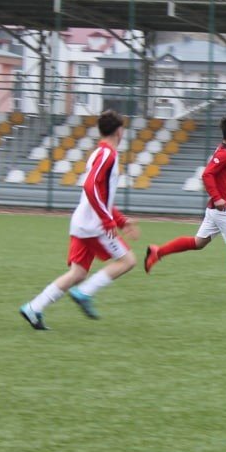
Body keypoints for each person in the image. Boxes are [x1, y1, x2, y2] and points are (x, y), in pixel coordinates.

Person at [19, 110, 139, 329]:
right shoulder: (107, 155)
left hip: (83, 222)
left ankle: (34, 307)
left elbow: (101, 194)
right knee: (127, 261)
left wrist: (120, 220)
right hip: (94, 225)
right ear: (119, 131)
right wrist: (107, 220)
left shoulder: (99, 153)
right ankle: (84, 293)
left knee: (78, 272)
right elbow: (90, 186)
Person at [142, 113, 226, 300]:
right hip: (225, 209)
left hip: (215, 210)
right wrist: (218, 198)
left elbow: (224, 176)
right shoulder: (224, 153)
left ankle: (158, 252)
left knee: (199, 243)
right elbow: (207, 175)